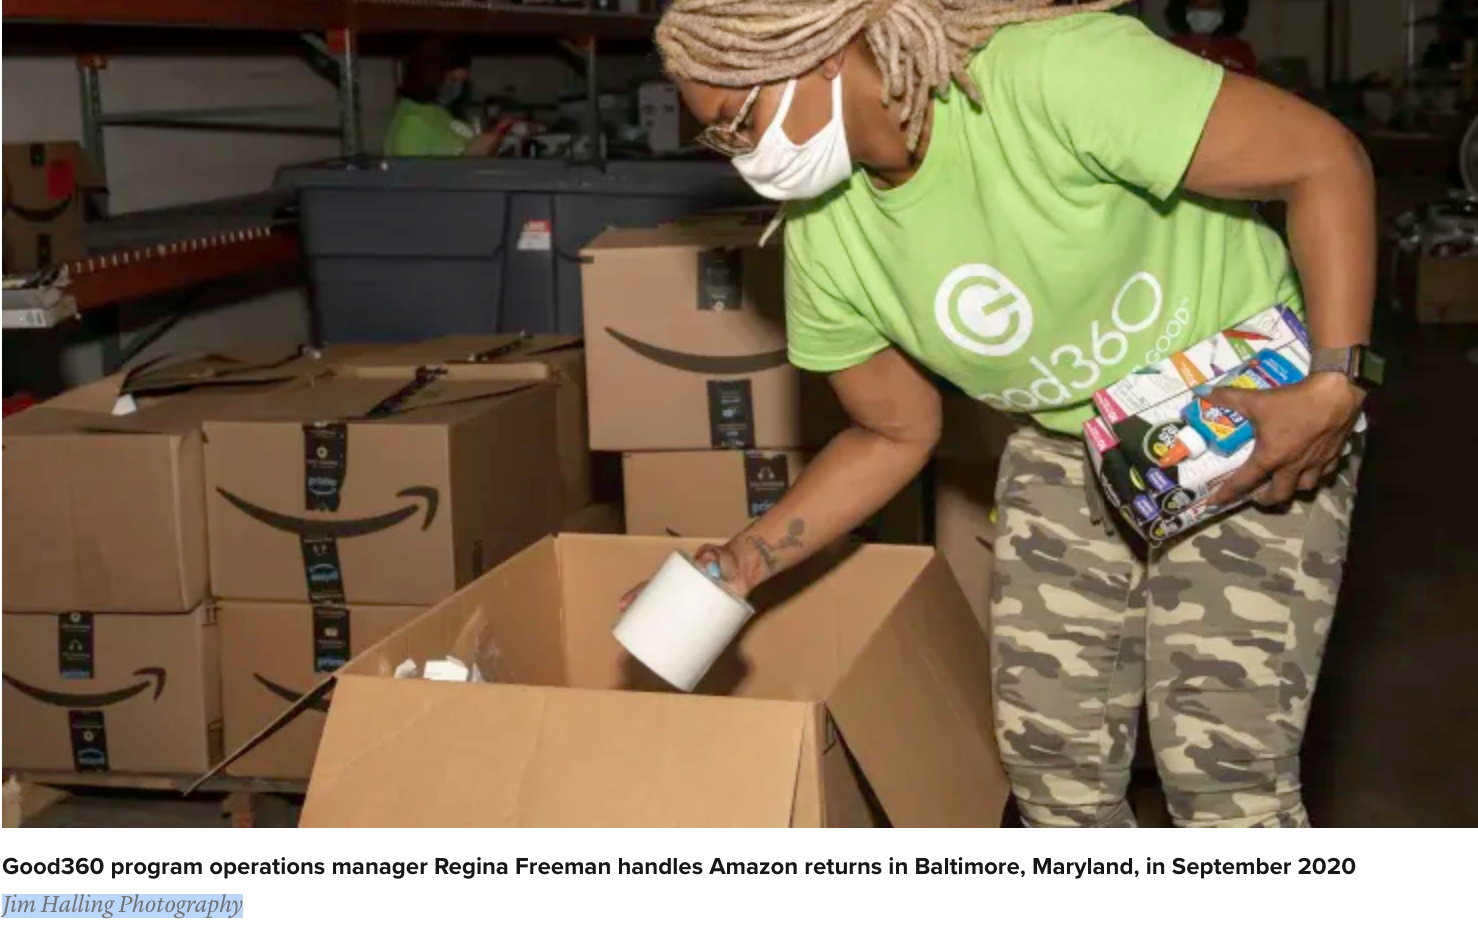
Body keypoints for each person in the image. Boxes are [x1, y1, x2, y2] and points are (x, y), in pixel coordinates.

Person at [625, 0, 1378, 828]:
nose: (741, 157)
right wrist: (744, 560)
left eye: (739, 122)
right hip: (1066, 442)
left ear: (825, 50)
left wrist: (1336, 383)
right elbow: (893, 430)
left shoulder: (1050, 74)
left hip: (1244, 406)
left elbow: (1323, 160)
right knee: (1052, 771)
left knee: (1223, 772)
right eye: (717, 140)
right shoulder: (825, 237)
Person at [384, 36, 511, 156]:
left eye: (462, 82)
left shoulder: (443, 113)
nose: (457, 88)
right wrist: (469, 157)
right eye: (452, 80)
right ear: (430, 76)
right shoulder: (411, 122)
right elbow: (410, 172)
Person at [1167, 0, 1258, 76]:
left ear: (1223, 12)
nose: (1204, 11)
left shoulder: (1240, 51)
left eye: (1211, 6)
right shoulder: (1168, 47)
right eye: (1197, 5)